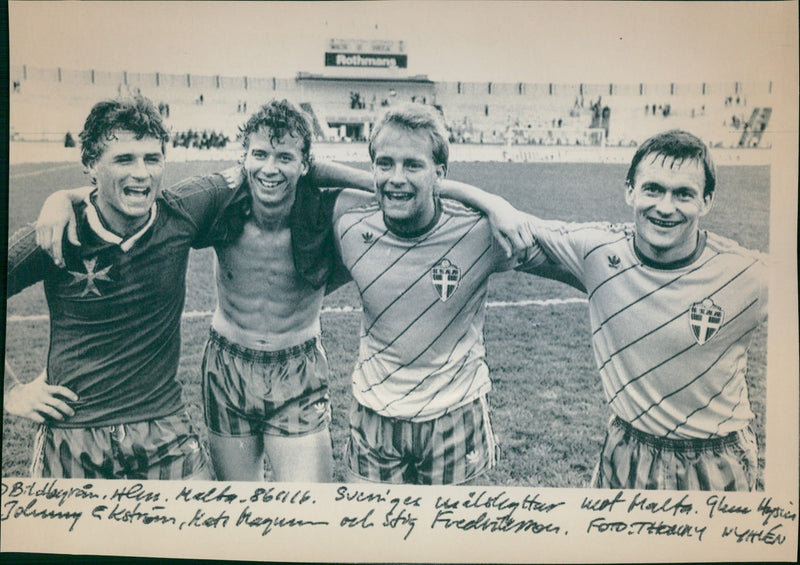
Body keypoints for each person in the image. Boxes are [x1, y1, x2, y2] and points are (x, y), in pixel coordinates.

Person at [29, 99, 535, 482]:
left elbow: (401, 184)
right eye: (260, 155)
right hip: (228, 363)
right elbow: (144, 200)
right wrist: (66, 195)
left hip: (297, 365)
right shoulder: (221, 204)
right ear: (244, 158)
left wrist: (488, 199)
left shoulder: (326, 208)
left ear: (304, 164)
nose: (270, 168)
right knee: (235, 510)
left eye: (285, 157)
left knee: (310, 517)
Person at [330, 103, 579, 485]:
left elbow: (568, 252)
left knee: (451, 545)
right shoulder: (348, 224)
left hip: (455, 418)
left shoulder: (481, 232)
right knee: (372, 543)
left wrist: (495, 205)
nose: (396, 177)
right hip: (373, 415)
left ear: (439, 175)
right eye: (385, 164)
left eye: (413, 165)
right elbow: (303, 170)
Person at [521, 129, 768, 491]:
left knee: (720, 552)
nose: (666, 207)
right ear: (630, 191)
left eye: (683, 193)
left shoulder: (747, 274)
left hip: (717, 458)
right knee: (614, 549)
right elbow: (516, 228)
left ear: (707, 201)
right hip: (628, 448)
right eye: (653, 189)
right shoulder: (598, 254)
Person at [5, 96, 224, 480]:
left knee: (207, 537)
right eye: (124, 160)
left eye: (152, 159)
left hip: (163, 430)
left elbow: (273, 165)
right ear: (90, 165)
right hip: (74, 436)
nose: (142, 173)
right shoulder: (58, 232)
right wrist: (11, 391)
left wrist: (62, 193)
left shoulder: (183, 211)